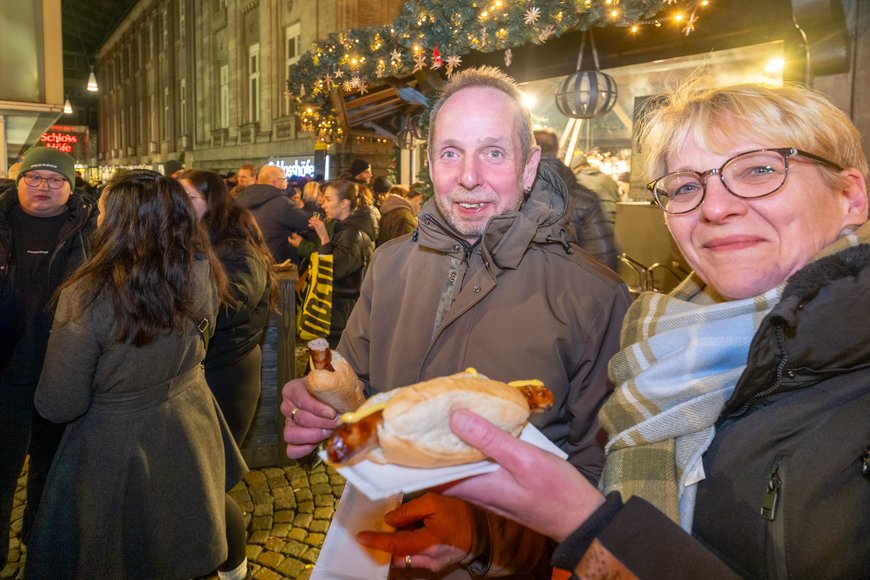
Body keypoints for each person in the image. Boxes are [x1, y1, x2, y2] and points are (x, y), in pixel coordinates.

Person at [440, 80, 870, 578]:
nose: (715, 207)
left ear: (851, 197)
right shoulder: (661, 349)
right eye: (687, 186)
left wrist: (587, 526)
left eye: (758, 171)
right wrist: (485, 539)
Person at [282, 66, 630, 576]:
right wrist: (322, 408)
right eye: (451, 153)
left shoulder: (594, 296)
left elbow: (599, 478)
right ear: (430, 163)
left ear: (529, 166)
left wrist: (485, 540)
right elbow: (361, 391)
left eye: (493, 152)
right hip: (390, 549)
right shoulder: (390, 263)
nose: (469, 177)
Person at [26, 169, 248, 578]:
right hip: (187, 421)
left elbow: (58, 403)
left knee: (116, 553)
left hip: (115, 447)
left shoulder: (89, 293)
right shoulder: (201, 268)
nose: (96, 218)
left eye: (104, 209)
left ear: (122, 222)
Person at [0, 147, 97, 564]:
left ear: (70, 187)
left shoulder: (89, 229)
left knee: (52, 468)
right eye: (34, 178)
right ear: (18, 181)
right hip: (5, 369)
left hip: (63, 367)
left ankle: (39, 542)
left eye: (55, 180)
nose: (43, 187)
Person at [181, 169, 277, 579]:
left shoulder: (237, 248)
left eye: (187, 197)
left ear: (211, 201)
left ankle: (234, 569)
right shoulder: (192, 240)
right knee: (192, 483)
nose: (178, 205)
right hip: (200, 374)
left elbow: (229, 305)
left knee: (208, 486)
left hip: (228, 375)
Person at [534, 129, 618, 270]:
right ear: (556, 150)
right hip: (571, 286)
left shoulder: (506, 195)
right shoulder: (586, 198)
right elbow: (604, 261)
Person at [305, 179, 375, 348]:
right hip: (341, 309)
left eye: (329, 199)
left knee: (333, 363)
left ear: (344, 203)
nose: (323, 205)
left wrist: (323, 238)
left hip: (343, 311)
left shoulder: (352, 233)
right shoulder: (346, 228)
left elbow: (332, 270)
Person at [236, 164, 310, 265]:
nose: (287, 182)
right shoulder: (282, 203)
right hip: (279, 262)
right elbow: (307, 222)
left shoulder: (241, 198)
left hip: (251, 261)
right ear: (276, 182)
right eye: (285, 179)